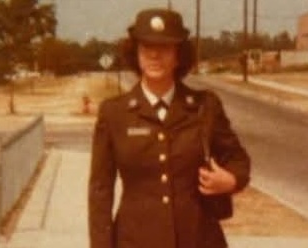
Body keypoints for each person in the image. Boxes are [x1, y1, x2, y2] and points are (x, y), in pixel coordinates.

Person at [88, 8, 250, 248]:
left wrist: (231, 180)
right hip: (135, 240)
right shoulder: (114, 113)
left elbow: (238, 159)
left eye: (164, 48)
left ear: (178, 55)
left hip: (198, 238)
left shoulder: (205, 106)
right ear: (136, 53)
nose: (155, 55)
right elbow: (100, 191)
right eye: (146, 47)